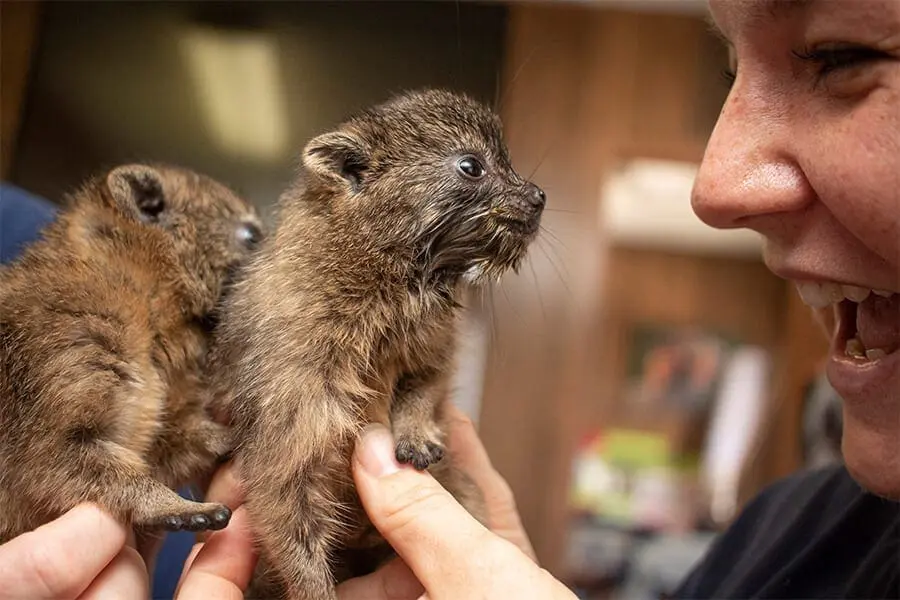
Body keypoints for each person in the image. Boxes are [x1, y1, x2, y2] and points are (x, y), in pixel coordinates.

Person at [2, 0, 898, 597]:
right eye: (474, 171)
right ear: (353, 179)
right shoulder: (784, 541)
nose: (719, 184)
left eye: (846, 57)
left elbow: (419, 383)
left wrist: (417, 420)